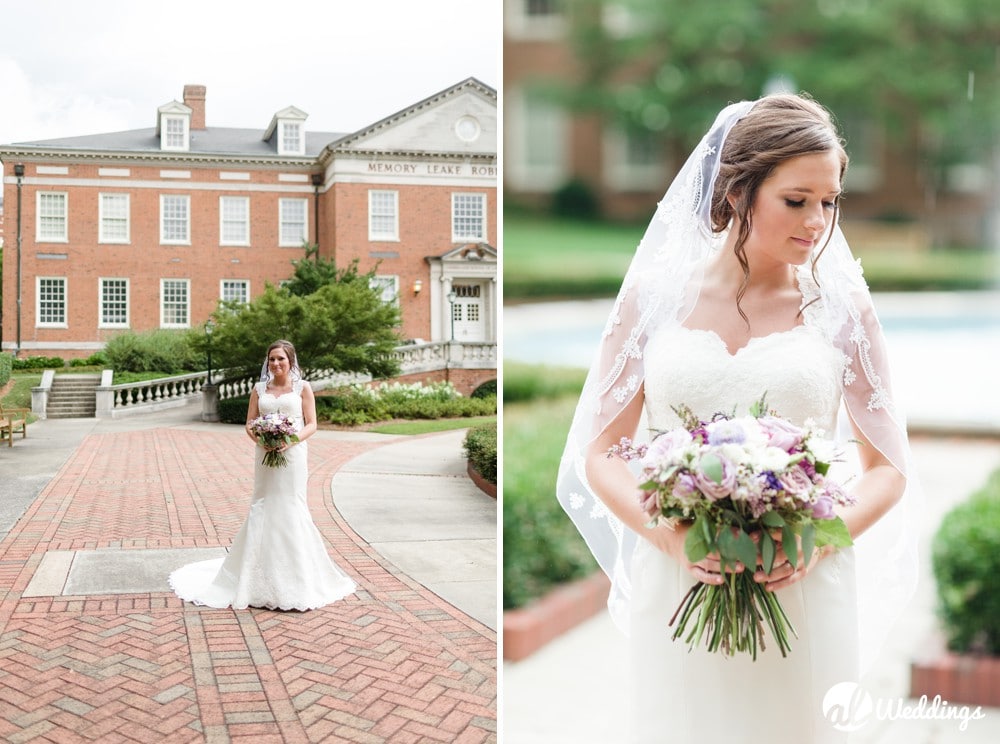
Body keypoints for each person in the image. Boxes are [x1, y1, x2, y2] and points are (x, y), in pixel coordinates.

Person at [556, 94, 919, 742]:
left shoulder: (842, 309)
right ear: (737, 190)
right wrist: (670, 536)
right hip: (677, 579)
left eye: (830, 201)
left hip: (803, 582)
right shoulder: (653, 300)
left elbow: (887, 470)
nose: (817, 222)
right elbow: (603, 450)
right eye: (796, 199)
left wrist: (814, 536)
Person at [170, 339, 357, 610]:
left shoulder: (303, 388)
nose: (276, 363)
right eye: (272, 359)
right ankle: (253, 575)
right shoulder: (259, 389)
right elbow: (249, 423)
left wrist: (290, 440)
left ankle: (299, 578)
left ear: (291, 361)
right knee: (263, 504)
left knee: (292, 505)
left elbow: (312, 423)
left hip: (293, 455)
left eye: (281, 358)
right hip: (265, 453)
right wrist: (262, 439)